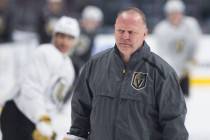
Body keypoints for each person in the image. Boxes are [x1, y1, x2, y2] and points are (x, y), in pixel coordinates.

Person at [68, 7, 188, 140]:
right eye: (120, 31)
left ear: (144, 33)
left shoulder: (162, 73)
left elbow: (174, 124)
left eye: (131, 32)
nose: (125, 36)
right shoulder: (95, 65)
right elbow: (81, 111)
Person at [0, 16, 80, 140]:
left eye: (70, 38)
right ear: (54, 36)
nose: (64, 42)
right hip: (19, 115)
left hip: (37, 120)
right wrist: (41, 119)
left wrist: (53, 129)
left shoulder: (69, 67)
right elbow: (31, 89)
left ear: (75, 41)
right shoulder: (44, 53)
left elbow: (54, 102)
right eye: (61, 36)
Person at [153, 0, 202, 96]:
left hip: (185, 68)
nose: (175, 16)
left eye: (177, 13)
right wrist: (171, 71)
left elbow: (195, 45)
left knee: (185, 99)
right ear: (167, 14)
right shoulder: (161, 29)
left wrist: (190, 62)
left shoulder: (191, 25)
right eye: (172, 13)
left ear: (182, 13)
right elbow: (162, 52)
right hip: (169, 71)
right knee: (169, 99)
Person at [71, 5, 103, 75]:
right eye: (88, 21)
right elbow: (75, 56)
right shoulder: (79, 35)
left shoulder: (101, 37)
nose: (90, 24)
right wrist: (82, 66)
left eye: (93, 21)